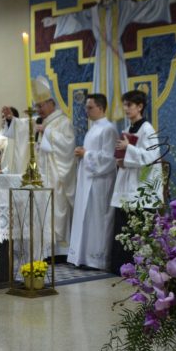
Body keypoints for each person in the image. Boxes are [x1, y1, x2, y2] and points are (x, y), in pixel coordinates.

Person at [41, 0, 176, 121]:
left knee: (118, 86)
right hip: (101, 54)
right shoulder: (94, 12)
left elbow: (145, 7)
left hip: (115, 52)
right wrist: (54, 21)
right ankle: (101, 117)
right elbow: (76, 18)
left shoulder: (124, 7)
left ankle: (119, 119)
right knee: (100, 86)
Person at [109, 89, 163, 274]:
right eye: (124, 104)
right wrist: (120, 159)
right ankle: (122, 266)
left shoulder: (147, 129)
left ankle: (139, 266)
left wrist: (129, 148)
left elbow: (152, 157)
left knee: (138, 229)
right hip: (127, 181)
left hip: (142, 185)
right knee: (123, 227)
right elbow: (128, 155)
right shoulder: (128, 129)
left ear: (140, 106)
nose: (126, 108)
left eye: (129, 105)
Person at [67, 94, 118, 270]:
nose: (86, 111)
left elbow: (109, 159)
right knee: (86, 218)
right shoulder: (93, 128)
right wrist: (83, 153)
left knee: (98, 220)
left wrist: (86, 154)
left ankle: (97, 259)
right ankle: (84, 257)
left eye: (90, 107)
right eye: (86, 107)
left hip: (100, 183)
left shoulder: (109, 129)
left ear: (101, 108)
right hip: (88, 180)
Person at [28, 76, 77, 253]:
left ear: (51, 103)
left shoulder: (63, 122)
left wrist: (47, 133)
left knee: (58, 209)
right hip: (43, 174)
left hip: (57, 176)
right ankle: (46, 248)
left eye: (40, 106)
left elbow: (68, 145)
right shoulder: (44, 123)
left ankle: (61, 249)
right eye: (37, 106)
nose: (38, 110)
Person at [0, 107, 28, 174]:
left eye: (7, 117)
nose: (4, 119)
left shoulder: (18, 139)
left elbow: (17, 160)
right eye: (3, 117)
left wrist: (3, 172)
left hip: (8, 177)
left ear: (15, 120)